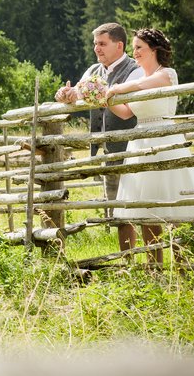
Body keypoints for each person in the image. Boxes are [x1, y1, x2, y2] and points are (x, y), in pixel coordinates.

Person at [104, 28, 194, 263]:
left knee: (172, 205)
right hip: (140, 139)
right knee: (146, 206)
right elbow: (125, 112)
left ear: (154, 49)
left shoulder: (166, 74)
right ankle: (155, 265)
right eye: (134, 48)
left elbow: (143, 86)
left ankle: (183, 264)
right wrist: (107, 100)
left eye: (139, 47)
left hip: (165, 138)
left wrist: (116, 88)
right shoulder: (134, 78)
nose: (136, 53)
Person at [55, 23, 143, 248]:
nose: (97, 49)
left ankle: (145, 264)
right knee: (117, 210)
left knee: (139, 207)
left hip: (131, 147)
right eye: (95, 44)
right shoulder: (93, 70)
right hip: (106, 149)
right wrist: (66, 94)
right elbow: (77, 91)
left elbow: (129, 108)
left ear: (119, 45)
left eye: (102, 44)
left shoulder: (135, 69)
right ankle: (127, 262)